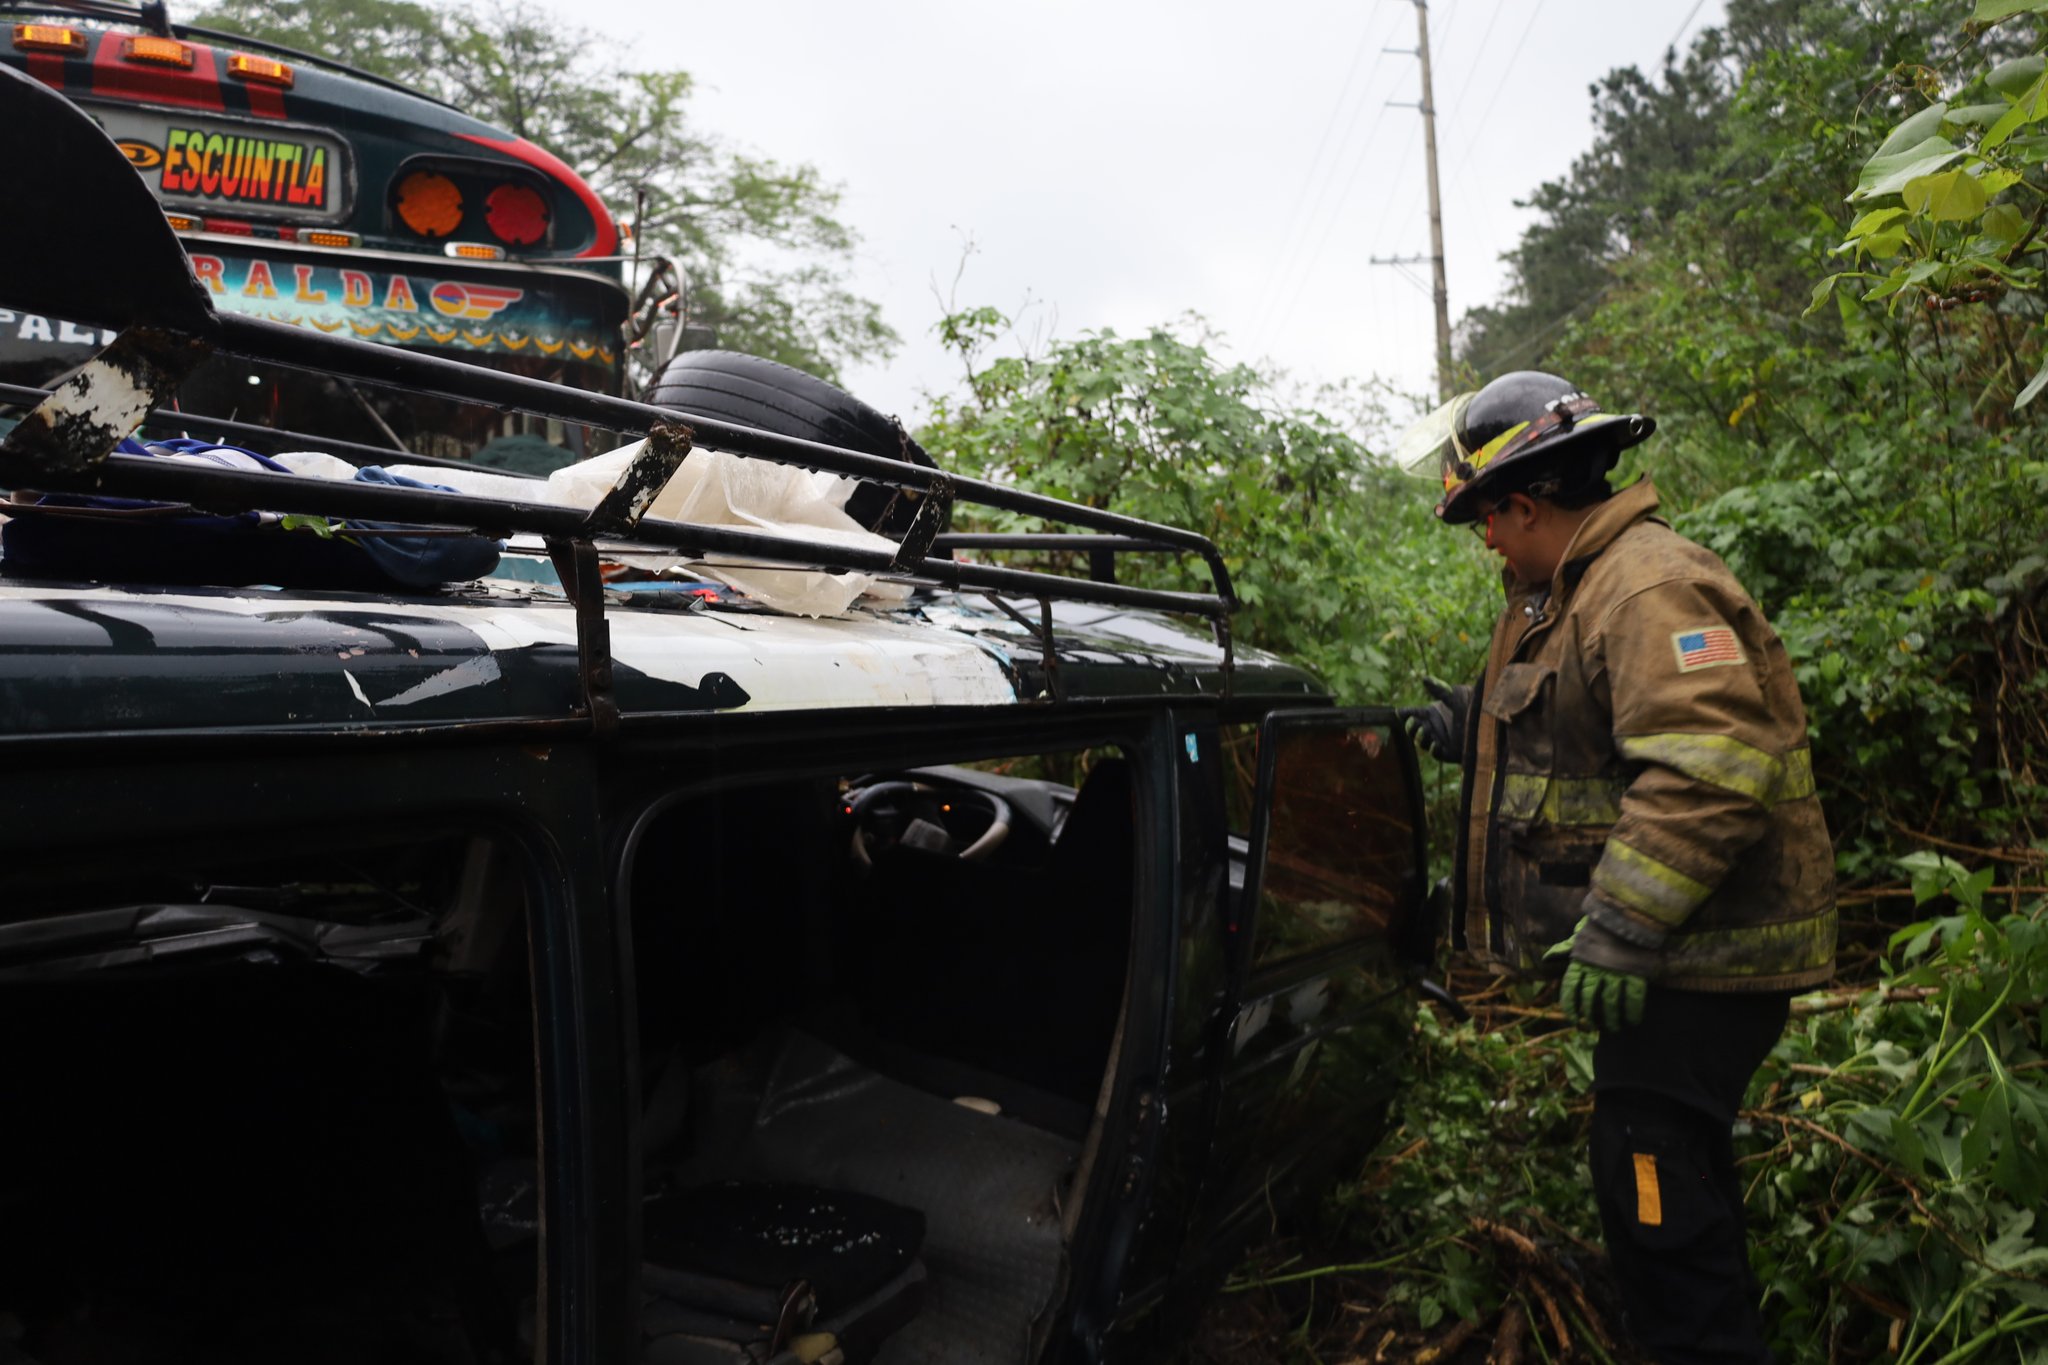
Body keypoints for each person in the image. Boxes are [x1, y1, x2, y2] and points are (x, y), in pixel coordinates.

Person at [1400, 371, 1836, 1363]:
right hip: (1676, 960)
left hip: (1696, 962)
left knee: (1651, 1191)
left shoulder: (1642, 586)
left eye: (1484, 517)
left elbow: (1706, 767)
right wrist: (1468, 730)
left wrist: (1622, 928)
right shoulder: (1575, 590)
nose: (1483, 541)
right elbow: (1587, 735)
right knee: (1660, 1169)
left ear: (1524, 502)